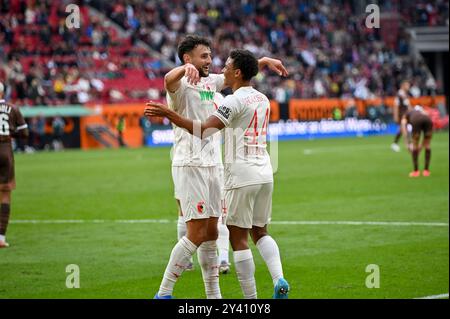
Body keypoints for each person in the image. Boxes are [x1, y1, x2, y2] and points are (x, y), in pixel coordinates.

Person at [145, 49, 290, 299]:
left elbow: (205, 130)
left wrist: (169, 116)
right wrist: (263, 61)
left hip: (226, 170)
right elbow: (168, 79)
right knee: (207, 233)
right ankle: (167, 292)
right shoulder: (261, 98)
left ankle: (227, 297)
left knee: (220, 236)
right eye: (205, 56)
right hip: (200, 165)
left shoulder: (224, 93)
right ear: (188, 58)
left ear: (237, 72)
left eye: (216, 59)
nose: (214, 64)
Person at [0, 82, 29, 248]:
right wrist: (9, 135)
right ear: (3, 93)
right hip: (5, 150)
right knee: (5, 193)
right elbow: (24, 133)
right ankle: (1, 237)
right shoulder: (13, 108)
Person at [401, 105, 433, 177]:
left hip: (416, 121)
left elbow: (403, 126)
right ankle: (426, 171)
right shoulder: (420, 111)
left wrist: (407, 143)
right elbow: (427, 114)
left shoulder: (406, 114)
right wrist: (421, 147)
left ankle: (416, 171)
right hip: (428, 120)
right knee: (427, 145)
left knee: (415, 146)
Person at [391, 81, 411, 152]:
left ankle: (395, 144)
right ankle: (409, 144)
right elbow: (396, 105)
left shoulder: (404, 94)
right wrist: (396, 116)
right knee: (405, 129)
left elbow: (408, 105)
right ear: (403, 86)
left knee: (401, 130)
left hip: (405, 115)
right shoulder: (400, 94)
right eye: (407, 85)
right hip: (402, 115)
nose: (408, 87)